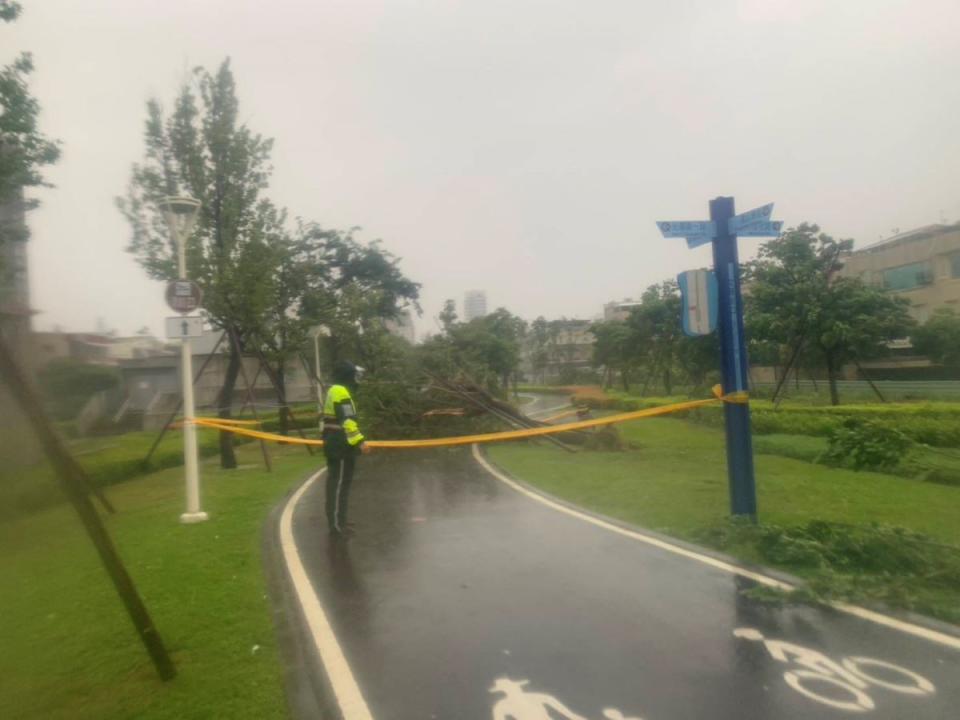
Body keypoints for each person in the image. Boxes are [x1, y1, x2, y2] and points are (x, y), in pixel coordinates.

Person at [321, 360, 369, 536]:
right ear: (348, 376)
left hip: (342, 442)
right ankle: (335, 525)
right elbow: (347, 421)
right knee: (338, 483)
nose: (357, 379)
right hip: (338, 443)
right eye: (355, 375)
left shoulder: (342, 391)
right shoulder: (339, 391)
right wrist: (360, 441)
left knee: (344, 483)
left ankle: (341, 520)